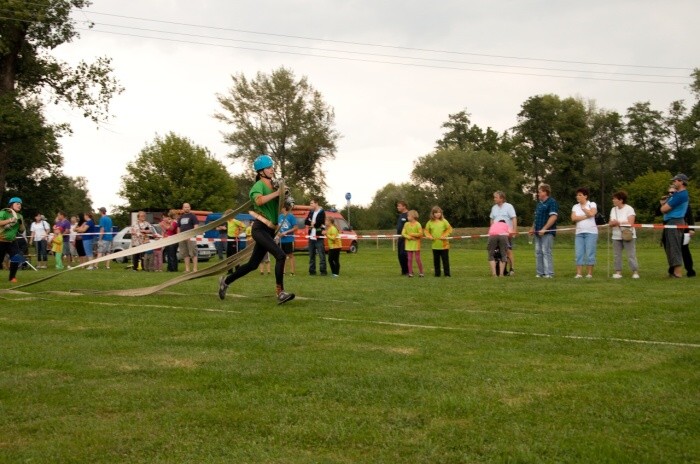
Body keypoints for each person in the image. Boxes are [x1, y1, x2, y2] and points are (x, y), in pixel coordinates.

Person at [218, 155, 295, 304]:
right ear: (261, 172)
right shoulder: (258, 186)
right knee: (280, 255)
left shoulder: (273, 186)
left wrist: (287, 199)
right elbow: (259, 201)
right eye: (269, 167)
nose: (272, 169)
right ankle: (280, 293)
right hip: (260, 229)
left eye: (272, 167)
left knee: (252, 265)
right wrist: (277, 193)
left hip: (269, 230)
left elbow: (278, 204)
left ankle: (226, 281)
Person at [660, 174, 689, 278]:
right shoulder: (676, 195)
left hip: (675, 222)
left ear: (681, 182)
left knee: (674, 246)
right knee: (669, 247)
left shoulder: (681, 195)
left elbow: (664, 209)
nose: (674, 182)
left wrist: (663, 205)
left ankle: (678, 273)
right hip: (670, 222)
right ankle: (673, 271)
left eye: (675, 181)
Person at [529, 183, 559, 278]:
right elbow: (536, 218)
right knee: (538, 252)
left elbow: (553, 217)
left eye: (540, 191)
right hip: (537, 233)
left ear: (545, 192)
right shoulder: (539, 204)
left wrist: (544, 229)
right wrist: (533, 228)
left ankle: (549, 273)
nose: (538, 193)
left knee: (546, 251)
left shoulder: (552, 202)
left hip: (548, 232)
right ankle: (540, 273)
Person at [608, 191, 639, 279]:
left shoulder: (629, 209)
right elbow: (610, 222)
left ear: (621, 200)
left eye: (615, 199)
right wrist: (612, 223)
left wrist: (619, 222)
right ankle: (618, 272)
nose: (613, 200)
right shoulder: (613, 209)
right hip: (616, 235)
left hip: (628, 235)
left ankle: (635, 271)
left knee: (631, 254)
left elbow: (631, 222)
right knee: (616, 255)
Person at [571, 187, 599, 279]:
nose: (578, 197)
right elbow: (573, 218)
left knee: (590, 253)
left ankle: (589, 273)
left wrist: (584, 209)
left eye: (580, 195)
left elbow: (592, 214)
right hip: (579, 233)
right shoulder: (575, 206)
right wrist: (586, 215)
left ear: (585, 196)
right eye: (577, 195)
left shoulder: (592, 204)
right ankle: (579, 273)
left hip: (591, 232)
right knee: (579, 253)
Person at [490, 191, 518, 275]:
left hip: (506, 233)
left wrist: (514, 230)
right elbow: (492, 219)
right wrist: (492, 230)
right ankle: (501, 270)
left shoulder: (509, 207)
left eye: (496, 197)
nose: (494, 199)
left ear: (501, 198)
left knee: (508, 250)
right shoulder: (494, 208)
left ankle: (512, 269)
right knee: (498, 252)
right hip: (496, 234)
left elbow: (514, 218)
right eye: (494, 197)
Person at [0, 197, 26, 282]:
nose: (19, 205)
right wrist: (10, 220)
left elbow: (21, 230)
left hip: (12, 241)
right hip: (1, 241)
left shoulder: (19, 216)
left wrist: (21, 223)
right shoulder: (3, 212)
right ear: (11, 204)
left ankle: (12, 278)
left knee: (16, 258)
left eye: (20, 204)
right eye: (17, 203)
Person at [424, 205, 452, 277]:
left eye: (439, 212)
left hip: (444, 245)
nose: (438, 214)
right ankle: (437, 274)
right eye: (436, 213)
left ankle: (447, 274)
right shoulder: (430, 222)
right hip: (435, 245)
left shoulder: (444, 221)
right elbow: (426, 231)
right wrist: (429, 236)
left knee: (445, 260)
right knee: (436, 261)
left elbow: (449, 229)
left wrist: (444, 235)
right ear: (433, 214)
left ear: (441, 213)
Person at [305, 199, 327, 276]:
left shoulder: (321, 212)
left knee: (321, 255)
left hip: (319, 237)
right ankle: (312, 271)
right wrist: (312, 223)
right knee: (311, 255)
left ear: (316, 203)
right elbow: (306, 222)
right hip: (311, 237)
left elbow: (319, 223)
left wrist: (313, 224)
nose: (310, 205)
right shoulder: (311, 212)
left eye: (312, 203)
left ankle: (323, 271)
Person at [177, 203, 199, 273]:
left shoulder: (193, 216)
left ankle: (195, 269)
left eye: (188, 207)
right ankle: (187, 269)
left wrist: (192, 235)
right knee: (185, 253)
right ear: (183, 208)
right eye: (185, 207)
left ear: (190, 208)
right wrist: (179, 236)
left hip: (191, 237)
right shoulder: (181, 217)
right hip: (182, 237)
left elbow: (196, 226)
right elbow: (178, 227)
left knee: (193, 253)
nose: (187, 208)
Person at [401, 209, 424, 277]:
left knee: (417, 258)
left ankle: (421, 272)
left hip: (416, 244)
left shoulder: (418, 224)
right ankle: (410, 273)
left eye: (408, 216)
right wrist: (409, 237)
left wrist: (412, 234)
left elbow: (420, 234)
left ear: (413, 216)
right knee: (409, 259)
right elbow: (403, 233)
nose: (407, 217)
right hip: (408, 244)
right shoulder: (406, 224)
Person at [278, 205, 297, 276]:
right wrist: (278, 233)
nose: (279, 209)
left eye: (281, 207)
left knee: (290, 255)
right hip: (281, 240)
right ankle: (283, 271)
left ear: (285, 208)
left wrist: (286, 232)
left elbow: (295, 228)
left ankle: (292, 272)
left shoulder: (291, 216)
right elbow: (277, 227)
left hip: (289, 239)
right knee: (282, 256)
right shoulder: (279, 217)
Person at [396, 200, 409, 275]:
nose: (398, 207)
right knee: (399, 255)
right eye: (397, 206)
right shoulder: (401, 215)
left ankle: (408, 270)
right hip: (400, 238)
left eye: (399, 206)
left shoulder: (409, 214)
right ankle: (403, 271)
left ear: (404, 206)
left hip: (406, 238)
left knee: (404, 254)